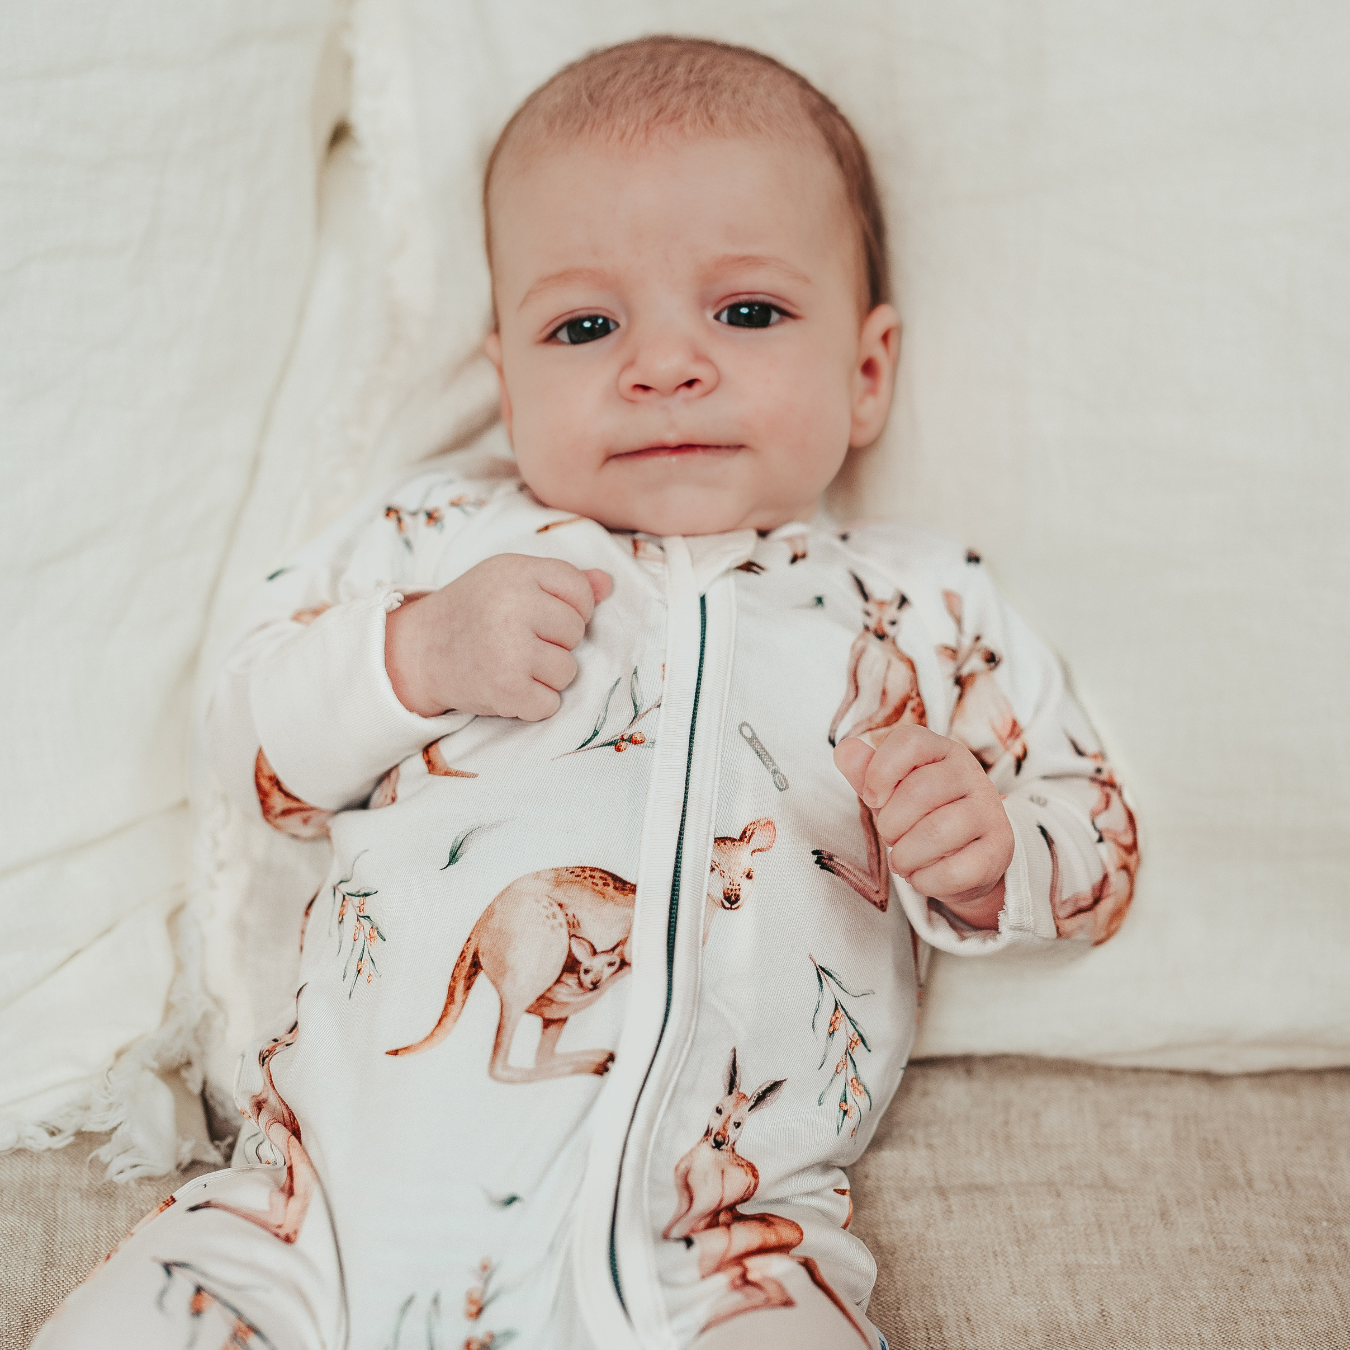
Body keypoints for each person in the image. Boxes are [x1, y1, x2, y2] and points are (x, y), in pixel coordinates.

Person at [35, 35, 1138, 1350]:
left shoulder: (921, 602)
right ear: (506, 382)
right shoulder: (441, 537)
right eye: (584, 326)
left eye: (745, 313)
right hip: (309, 1219)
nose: (662, 366)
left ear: (865, 372)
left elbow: (1093, 833)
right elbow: (249, 744)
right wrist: (419, 654)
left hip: (717, 1246)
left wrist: (989, 851)